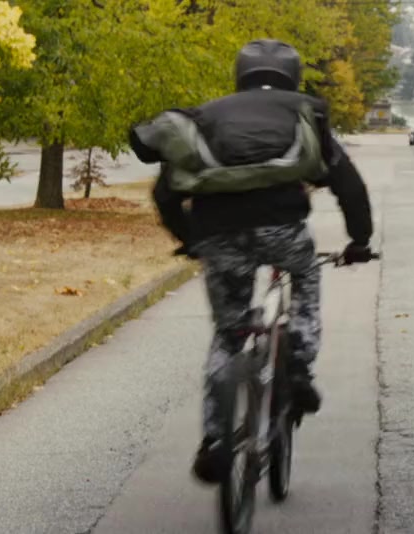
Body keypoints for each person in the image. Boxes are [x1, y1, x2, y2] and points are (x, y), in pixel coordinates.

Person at [128, 39, 374, 483]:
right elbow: (348, 184)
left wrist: (190, 239)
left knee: (228, 335)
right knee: (305, 277)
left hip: (220, 234)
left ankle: (215, 440)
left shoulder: (207, 116)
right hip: (283, 231)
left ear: (240, 74)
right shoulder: (303, 111)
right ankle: (297, 363)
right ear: (293, 76)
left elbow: (166, 192)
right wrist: (359, 240)